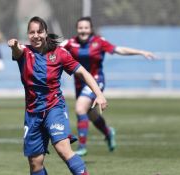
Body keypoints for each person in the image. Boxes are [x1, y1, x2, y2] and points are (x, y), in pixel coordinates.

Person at [8, 16, 108, 175]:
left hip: (54, 107)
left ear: (46, 32)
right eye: (32, 32)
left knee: (63, 149)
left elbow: (82, 72)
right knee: (35, 163)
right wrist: (13, 46)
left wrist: (99, 94)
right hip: (33, 113)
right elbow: (17, 50)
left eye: (39, 32)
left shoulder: (59, 53)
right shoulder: (24, 52)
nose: (36, 36)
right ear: (27, 34)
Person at [61, 16, 156, 156]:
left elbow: (119, 50)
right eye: (80, 28)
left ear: (91, 29)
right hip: (80, 84)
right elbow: (52, 49)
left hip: (96, 81)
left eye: (86, 28)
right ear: (77, 29)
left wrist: (141, 52)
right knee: (91, 115)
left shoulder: (99, 42)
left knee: (80, 108)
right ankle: (108, 132)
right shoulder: (70, 43)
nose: (83, 30)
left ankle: (82, 146)